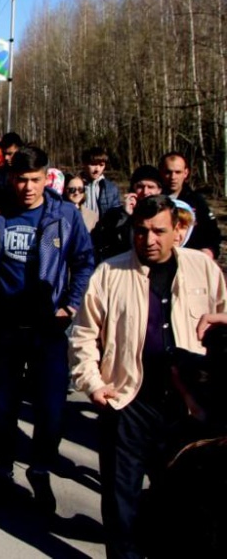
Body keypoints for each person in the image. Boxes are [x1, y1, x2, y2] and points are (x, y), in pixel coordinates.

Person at [70, 195, 227, 558]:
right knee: (121, 502)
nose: (149, 240)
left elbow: (222, 321)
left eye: (159, 231)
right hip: (128, 401)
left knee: (181, 502)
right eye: (141, 232)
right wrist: (92, 384)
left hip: (187, 410)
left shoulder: (203, 270)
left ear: (178, 231)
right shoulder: (110, 272)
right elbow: (83, 336)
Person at [0, 146, 94, 513]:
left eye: (35, 179)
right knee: (3, 407)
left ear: (46, 177)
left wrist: (72, 304)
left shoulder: (63, 215)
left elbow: (84, 260)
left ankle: (40, 468)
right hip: (4, 327)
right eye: (21, 179)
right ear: (11, 178)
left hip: (49, 328)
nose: (28, 188)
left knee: (50, 408)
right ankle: (2, 468)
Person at [92, 165, 165, 264]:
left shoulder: (165, 215)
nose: (145, 192)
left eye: (151, 187)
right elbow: (100, 241)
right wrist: (126, 216)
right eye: (140, 187)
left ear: (159, 190)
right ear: (133, 188)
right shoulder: (114, 215)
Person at [160, 152, 221, 258]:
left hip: (190, 258)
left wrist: (210, 251)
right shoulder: (154, 198)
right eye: (168, 172)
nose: (173, 177)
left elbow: (212, 232)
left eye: (178, 172)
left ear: (185, 173)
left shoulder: (196, 201)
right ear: (161, 172)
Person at [80, 146, 121, 217]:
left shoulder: (111, 188)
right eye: (93, 164)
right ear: (84, 164)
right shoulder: (73, 186)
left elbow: (116, 216)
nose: (97, 169)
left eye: (101, 165)